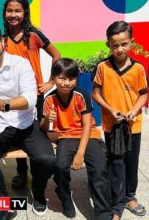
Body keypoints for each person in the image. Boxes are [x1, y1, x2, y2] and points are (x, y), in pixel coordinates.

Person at [0, 23, 55, 220]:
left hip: (25, 125)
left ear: (2, 42)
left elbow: (30, 100)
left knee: (47, 160)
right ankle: (2, 204)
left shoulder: (20, 64)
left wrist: (4, 104)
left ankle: (38, 192)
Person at [40, 58, 112, 219]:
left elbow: (87, 125)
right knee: (60, 167)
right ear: (53, 78)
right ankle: (65, 197)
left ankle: (103, 213)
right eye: (62, 78)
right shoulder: (49, 99)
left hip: (89, 135)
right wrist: (46, 120)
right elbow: (44, 128)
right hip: (65, 136)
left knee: (99, 167)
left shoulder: (81, 95)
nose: (66, 83)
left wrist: (80, 153)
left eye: (71, 79)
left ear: (76, 79)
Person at [3, 0, 61, 189]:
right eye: (9, 10)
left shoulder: (34, 35)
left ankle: (38, 172)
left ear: (25, 12)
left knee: (36, 133)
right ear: (5, 13)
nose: (13, 14)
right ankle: (21, 171)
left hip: (35, 94)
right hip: (14, 96)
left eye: (17, 10)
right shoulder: (2, 40)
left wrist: (50, 81)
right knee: (18, 131)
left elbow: (56, 55)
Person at [92, 21, 148, 220]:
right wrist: (110, 109)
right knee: (116, 162)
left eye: (124, 44)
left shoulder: (138, 68)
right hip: (111, 125)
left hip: (133, 125)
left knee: (131, 162)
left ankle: (130, 196)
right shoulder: (102, 67)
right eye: (115, 45)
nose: (120, 49)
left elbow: (143, 94)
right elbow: (96, 93)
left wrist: (134, 110)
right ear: (108, 44)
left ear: (132, 43)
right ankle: (117, 203)